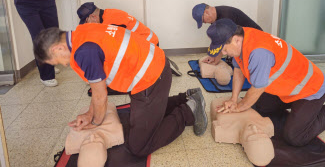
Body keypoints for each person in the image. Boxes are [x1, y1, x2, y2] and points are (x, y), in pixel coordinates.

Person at [33, 24, 208, 156]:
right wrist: (89, 114)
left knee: (138, 146)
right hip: (155, 67)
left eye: (56, 61)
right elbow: (97, 90)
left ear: (58, 48)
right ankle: (186, 97)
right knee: (143, 116)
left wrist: (95, 124)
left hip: (151, 79)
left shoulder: (84, 51)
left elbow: (101, 96)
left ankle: (189, 111)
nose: (63, 64)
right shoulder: (82, 31)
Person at [207, 18, 325, 147]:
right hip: (287, 86)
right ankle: (299, 111)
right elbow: (238, 70)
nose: (224, 54)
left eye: (224, 49)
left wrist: (239, 107)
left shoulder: (258, 52)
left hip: (310, 89)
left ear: (236, 40)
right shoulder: (241, 38)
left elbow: (257, 88)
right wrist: (234, 99)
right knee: (260, 106)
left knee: (295, 137)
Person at [77, 2, 182, 76]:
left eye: (86, 21)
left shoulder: (112, 23)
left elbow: (116, 48)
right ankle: (159, 61)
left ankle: (163, 66)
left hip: (149, 45)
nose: (87, 25)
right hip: (147, 42)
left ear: (93, 17)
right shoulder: (108, 14)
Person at [192, 3, 262, 65]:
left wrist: (216, 59)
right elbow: (218, 39)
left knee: (238, 63)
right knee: (232, 59)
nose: (204, 23)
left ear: (207, 12)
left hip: (256, 41)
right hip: (242, 38)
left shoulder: (226, 16)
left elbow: (223, 41)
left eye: (203, 20)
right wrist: (213, 56)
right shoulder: (216, 14)